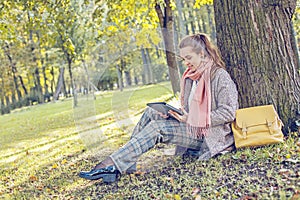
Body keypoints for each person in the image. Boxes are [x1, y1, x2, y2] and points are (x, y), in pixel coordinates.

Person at [79, 33, 239, 183]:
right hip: (192, 127)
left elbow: (228, 112)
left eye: (189, 58)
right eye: (183, 59)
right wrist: (173, 113)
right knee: (152, 112)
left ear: (202, 54)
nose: (186, 63)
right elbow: (191, 109)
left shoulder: (219, 76)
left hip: (209, 136)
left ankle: (111, 164)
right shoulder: (192, 77)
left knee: (158, 128)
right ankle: (125, 164)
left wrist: (191, 118)